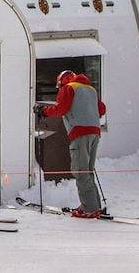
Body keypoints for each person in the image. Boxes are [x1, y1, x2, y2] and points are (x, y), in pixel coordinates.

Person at [35, 70, 107, 218]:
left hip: (80, 133)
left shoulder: (68, 88)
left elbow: (61, 109)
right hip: (95, 133)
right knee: (87, 171)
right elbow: (101, 109)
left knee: (80, 171)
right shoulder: (90, 89)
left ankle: (90, 209)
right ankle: (94, 205)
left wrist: (43, 110)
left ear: (62, 81)